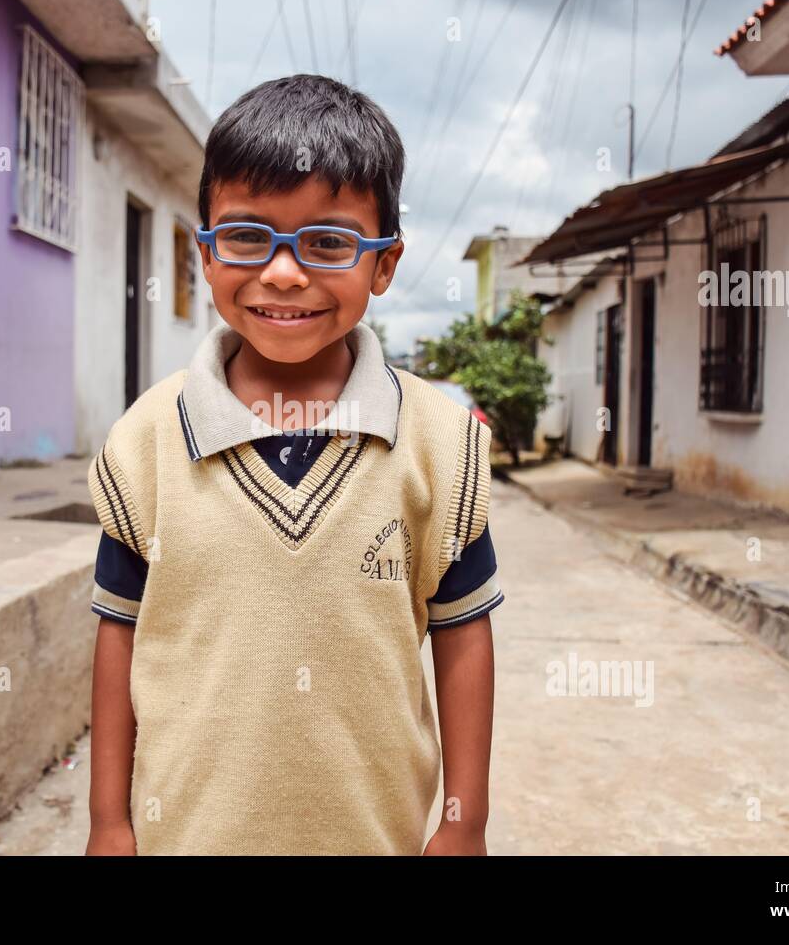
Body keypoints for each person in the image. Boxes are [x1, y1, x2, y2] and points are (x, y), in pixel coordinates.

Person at [84, 74, 502, 856]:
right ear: (205, 252)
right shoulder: (145, 442)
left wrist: (463, 821)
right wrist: (110, 821)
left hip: (371, 836)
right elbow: (120, 631)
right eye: (248, 236)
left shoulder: (440, 444)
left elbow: (463, 631)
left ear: (384, 264)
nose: (282, 273)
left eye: (329, 242)